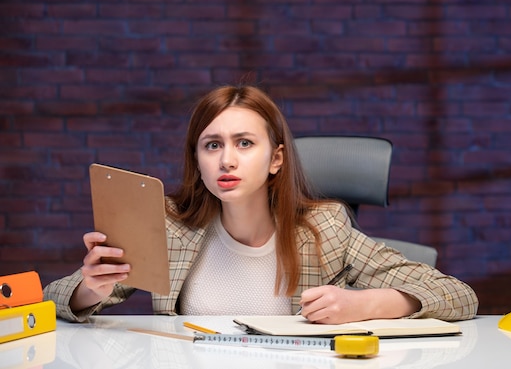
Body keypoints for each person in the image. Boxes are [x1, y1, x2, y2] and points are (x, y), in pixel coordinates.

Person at [44, 84, 479, 324]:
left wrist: (369, 304)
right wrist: (90, 289)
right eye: (211, 145)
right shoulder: (169, 224)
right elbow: (52, 301)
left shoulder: (324, 227)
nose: (226, 159)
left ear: (275, 159)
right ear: (197, 160)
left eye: (245, 143)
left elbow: (458, 296)